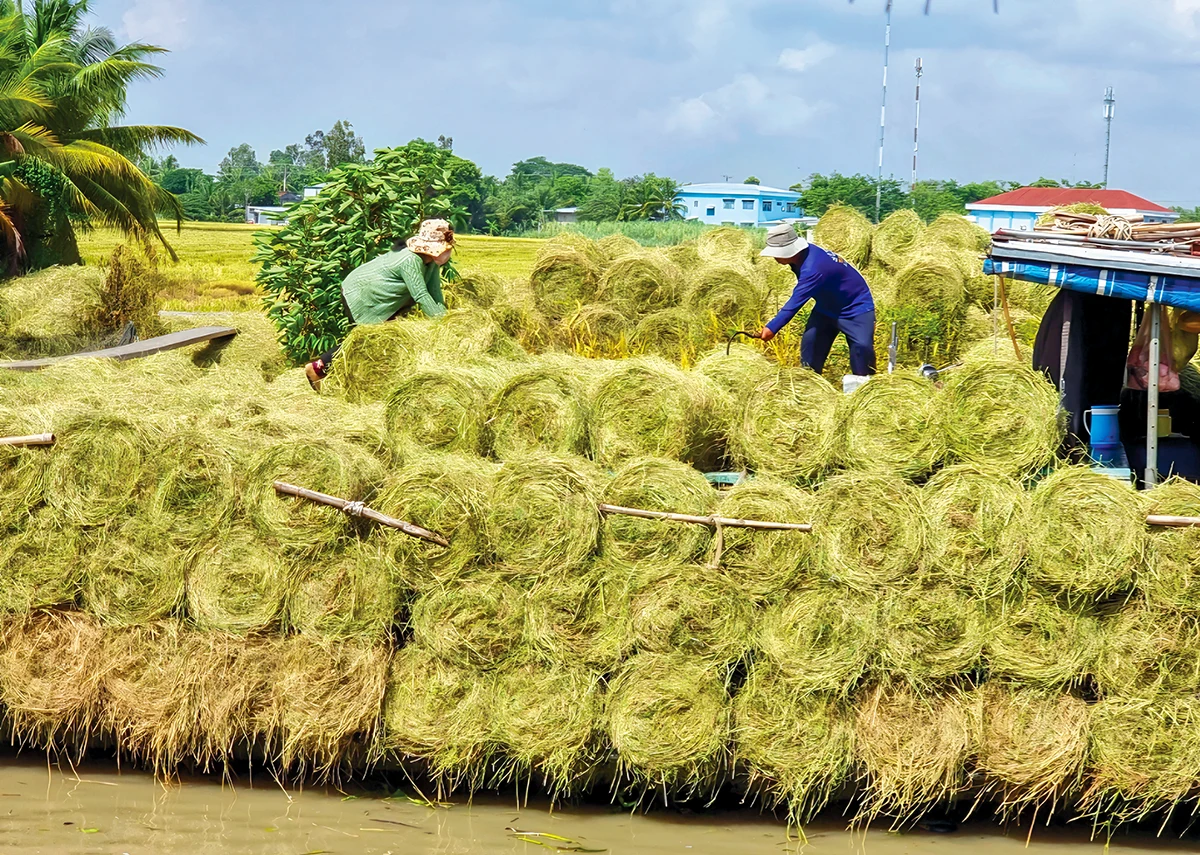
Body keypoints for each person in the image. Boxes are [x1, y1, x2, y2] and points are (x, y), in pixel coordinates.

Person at [305, 218, 455, 390]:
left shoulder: (431, 264)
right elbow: (421, 295)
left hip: (384, 300)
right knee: (364, 340)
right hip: (363, 294)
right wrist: (442, 325)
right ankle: (316, 369)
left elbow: (435, 294)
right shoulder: (410, 260)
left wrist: (446, 320)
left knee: (383, 340)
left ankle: (370, 383)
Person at [757, 222, 877, 377]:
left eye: (776, 253)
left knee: (862, 353)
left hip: (856, 308)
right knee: (810, 350)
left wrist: (771, 328)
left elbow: (795, 302)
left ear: (789, 251)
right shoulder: (802, 256)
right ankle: (810, 384)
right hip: (825, 308)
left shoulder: (813, 268)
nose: (774, 257)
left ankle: (864, 386)